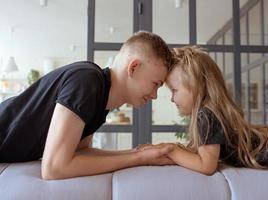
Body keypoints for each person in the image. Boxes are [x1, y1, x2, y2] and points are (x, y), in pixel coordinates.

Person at [0, 31, 175, 180]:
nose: (154, 95)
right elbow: (54, 168)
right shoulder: (87, 80)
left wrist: (138, 152)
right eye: (155, 84)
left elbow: (81, 152)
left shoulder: (101, 98)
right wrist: (139, 159)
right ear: (134, 67)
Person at [139, 46, 268, 175]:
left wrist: (171, 150)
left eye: (174, 90)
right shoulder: (207, 112)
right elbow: (201, 156)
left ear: (196, 86)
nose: (172, 98)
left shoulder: (206, 115)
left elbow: (207, 166)